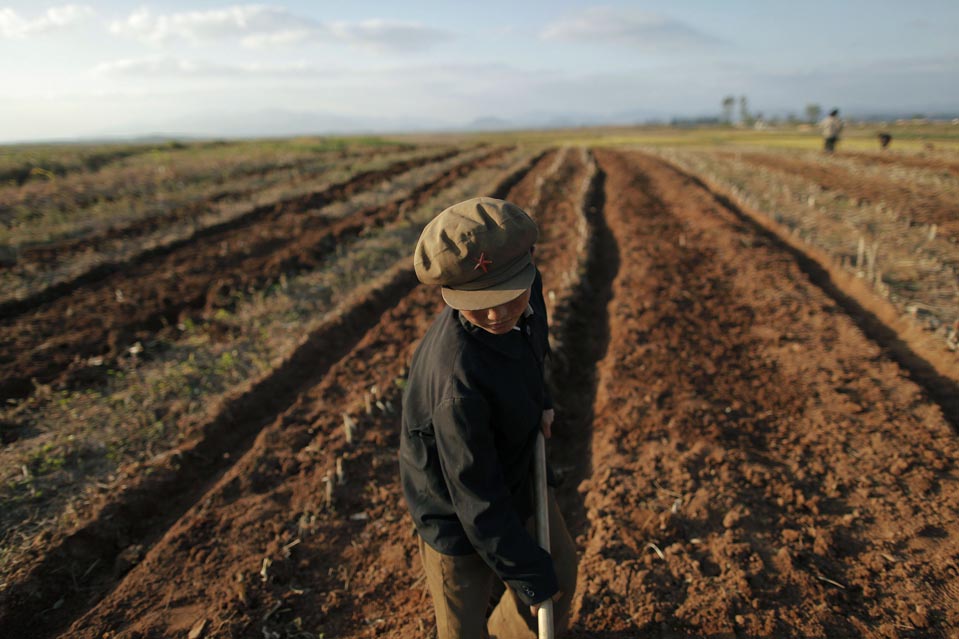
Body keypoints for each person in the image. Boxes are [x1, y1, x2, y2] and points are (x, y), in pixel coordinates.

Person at [399, 197, 577, 639]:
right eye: (478, 302)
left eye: (507, 295)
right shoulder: (457, 384)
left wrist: (541, 399)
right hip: (455, 509)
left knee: (559, 576)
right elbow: (476, 500)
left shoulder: (527, 291)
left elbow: (533, 344)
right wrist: (528, 573)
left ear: (528, 265)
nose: (497, 314)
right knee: (463, 625)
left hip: (514, 466)